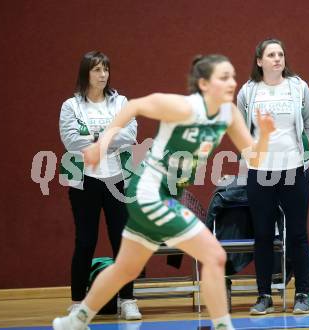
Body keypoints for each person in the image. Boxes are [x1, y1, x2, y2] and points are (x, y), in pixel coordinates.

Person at [53, 54, 275, 330]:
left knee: (125, 268)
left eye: (233, 75)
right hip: (148, 191)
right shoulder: (180, 107)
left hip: (164, 195)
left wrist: (264, 135)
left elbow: (254, 158)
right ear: (204, 84)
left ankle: (75, 320)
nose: (232, 82)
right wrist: (103, 143)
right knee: (215, 256)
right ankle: (222, 326)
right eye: (223, 77)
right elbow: (133, 106)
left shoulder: (229, 114)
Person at [59, 51, 141, 320]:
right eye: (96, 70)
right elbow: (72, 141)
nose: (103, 74)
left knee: (122, 240)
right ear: (86, 73)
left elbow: (130, 134)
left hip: (116, 178)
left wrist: (95, 138)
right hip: (84, 181)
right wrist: (107, 135)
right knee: (85, 241)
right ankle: (77, 301)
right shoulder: (71, 106)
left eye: (105, 69)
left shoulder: (121, 103)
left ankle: (127, 299)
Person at [237, 38, 309, 315]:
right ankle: (264, 296)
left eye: (280, 54)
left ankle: (302, 294)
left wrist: (295, 151)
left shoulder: (298, 87)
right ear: (259, 61)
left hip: (294, 169)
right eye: (271, 54)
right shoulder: (248, 91)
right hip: (260, 172)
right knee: (262, 235)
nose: (277, 59)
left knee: (297, 233)